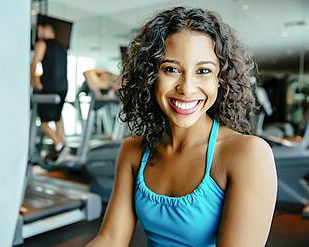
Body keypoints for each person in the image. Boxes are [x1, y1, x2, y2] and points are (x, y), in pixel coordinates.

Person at [86, 7, 277, 247]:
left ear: (221, 80)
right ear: (150, 76)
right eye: (171, 69)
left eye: (203, 71)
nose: (186, 88)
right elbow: (110, 238)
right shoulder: (133, 151)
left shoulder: (248, 154)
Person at [30, 21, 68, 161]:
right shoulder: (62, 48)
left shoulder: (42, 43)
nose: (38, 33)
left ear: (45, 29)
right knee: (57, 119)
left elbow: (34, 64)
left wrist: (35, 83)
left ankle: (60, 144)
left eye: (39, 29)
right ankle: (60, 146)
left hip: (49, 87)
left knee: (44, 122)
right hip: (63, 87)